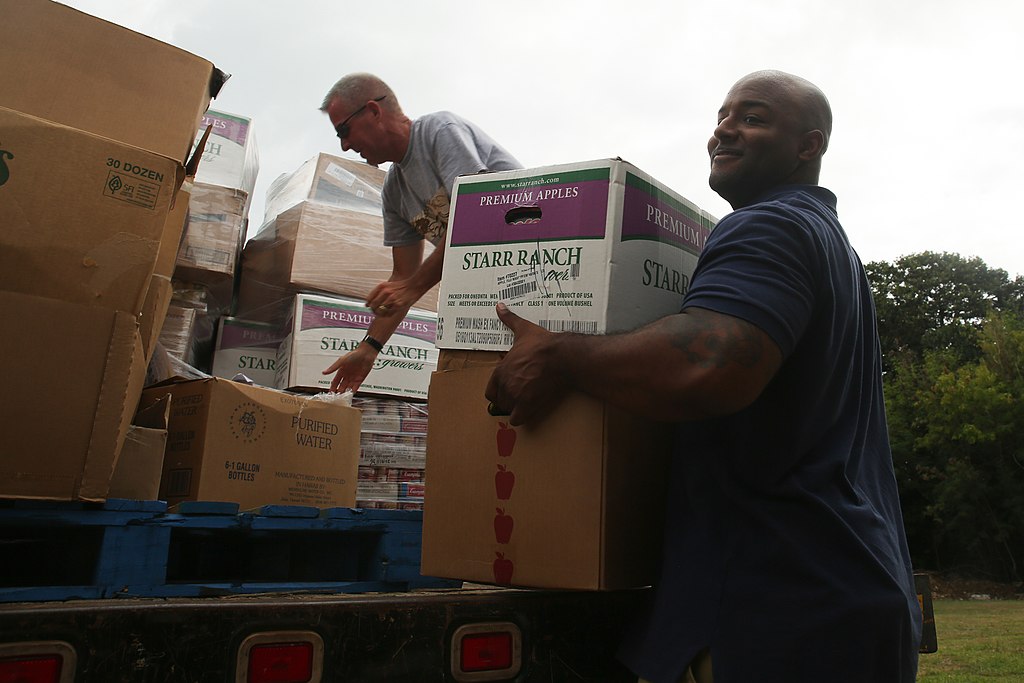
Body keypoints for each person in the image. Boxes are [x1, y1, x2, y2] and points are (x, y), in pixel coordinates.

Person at [484, 70, 922, 683]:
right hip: (845, 596)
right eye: (722, 115)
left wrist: (555, 353)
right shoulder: (830, 245)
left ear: (809, 145)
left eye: (753, 116)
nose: (724, 129)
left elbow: (711, 365)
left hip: (778, 610)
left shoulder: (769, 226)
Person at [318, 73, 521, 393]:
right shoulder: (394, 191)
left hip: (537, 272)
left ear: (373, 111)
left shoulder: (440, 132)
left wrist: (413, 286)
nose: (344, 145)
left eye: (344, 130)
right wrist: (369, 347)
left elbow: (480, 215)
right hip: (490, 293)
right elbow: (402, 277)